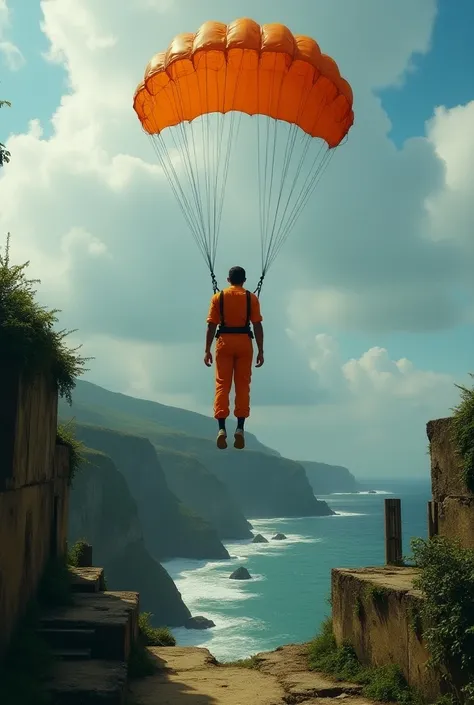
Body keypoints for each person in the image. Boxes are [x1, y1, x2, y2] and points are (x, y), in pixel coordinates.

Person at [204, 266, 264, 450]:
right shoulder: (251, 298)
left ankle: (221, 429)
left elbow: (212, 326)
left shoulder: (218, 298)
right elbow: (257, 326)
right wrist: (261, 350)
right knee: (242, 384)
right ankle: (239, 428)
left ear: (228, 280)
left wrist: (207, 349)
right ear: (244, 280)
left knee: (222, 384)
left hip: (224, 342)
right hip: (244, 342)